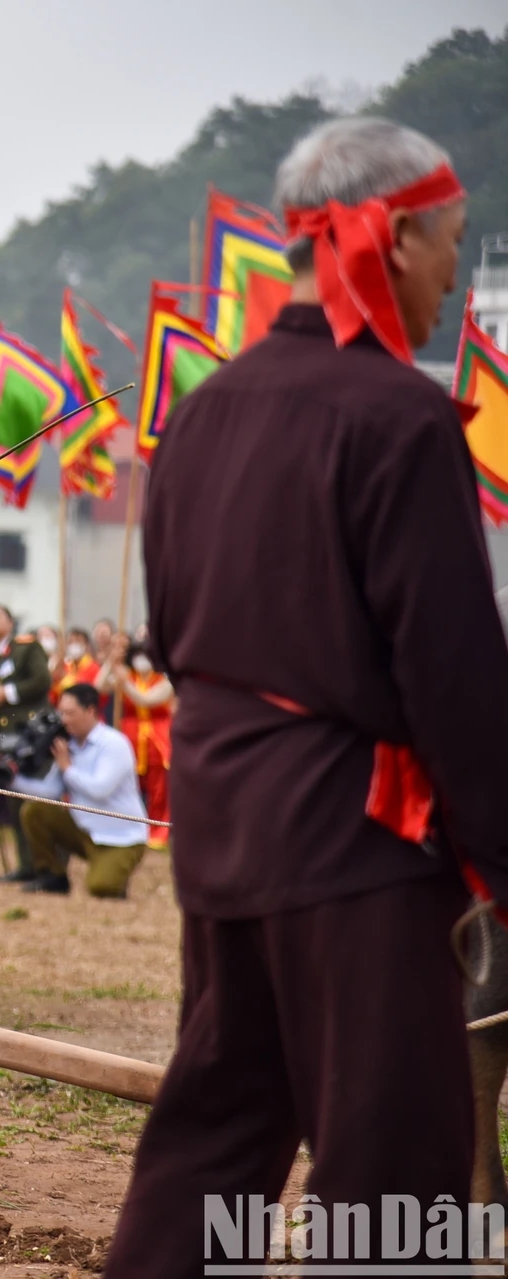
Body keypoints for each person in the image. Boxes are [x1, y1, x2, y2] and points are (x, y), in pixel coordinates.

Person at [107, 118, 501, 1266]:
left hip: (220, 826)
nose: (452, 280)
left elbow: (169, 633)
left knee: (213, 1141)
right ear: (391, 236)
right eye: (451, 245)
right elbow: (452, 672)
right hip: (353, 845)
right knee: (392, 1167)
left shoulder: (200, 409)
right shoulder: (400, 419)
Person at [8, 684, 148, 897]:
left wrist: (67, 768)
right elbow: (49, 791)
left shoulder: (113, 744)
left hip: (122, 838)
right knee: (34, 811)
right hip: (84, 830)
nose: (63, 720)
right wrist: (11, 780)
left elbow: (100, 789)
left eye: (70, 713)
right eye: (61, 713)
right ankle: (53, 877)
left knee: (102, 888)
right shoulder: (68, 745)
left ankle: (113, 873)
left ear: (91, 711)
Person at [0, 603, 49, 878]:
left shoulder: (26, 648)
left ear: (10, 622)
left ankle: (46, 865)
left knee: (36, 800)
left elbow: (42, 680)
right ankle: (26, 865)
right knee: (14, 802)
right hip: (6, 740)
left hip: (31, 737)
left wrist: (7, 692)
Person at [97, 631, 174, 851]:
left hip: (158, 741)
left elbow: (147, 700)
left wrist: (125, 683)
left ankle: (158, 832)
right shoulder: (128, 674)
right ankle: (129, 828)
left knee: (159, 788)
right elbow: (100, 686)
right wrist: (111, 662)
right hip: (129, 738)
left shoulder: (164, 680)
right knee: (128, 785)